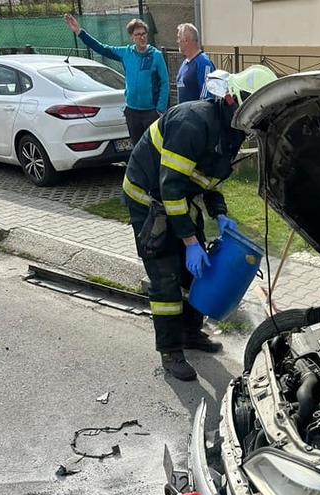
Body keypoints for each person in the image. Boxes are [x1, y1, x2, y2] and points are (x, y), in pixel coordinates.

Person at [122, 65, 278, 381]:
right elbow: (170, 187)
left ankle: (190, 334)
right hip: (148, 202)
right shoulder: (191, 123)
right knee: (166, 280)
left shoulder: (230, 131)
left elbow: (209, 180)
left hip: (177, 203)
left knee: (194, 273)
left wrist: (219, 215)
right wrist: (190, 242)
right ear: (234, 101)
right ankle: (170, 353)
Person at [64, 14, 169, 145]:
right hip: (132, 112)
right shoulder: (125, 53)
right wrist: (79, 31)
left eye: (144, 33)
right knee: (137, 149)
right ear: (131, 36)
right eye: (137, 34)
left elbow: (165, 83)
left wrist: (160, 109)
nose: (142, 37)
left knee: (154, 149)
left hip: (151, 112)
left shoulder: (156, 55)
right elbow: (101, 48)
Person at [176, 23, 215, 103]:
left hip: (195, 115)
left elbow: (206, 99)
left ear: (186, 40)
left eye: (179, 38)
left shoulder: (203, 63)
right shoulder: (184, 63)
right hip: (183, 114)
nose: (177, 41)